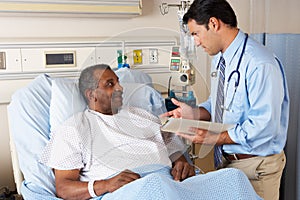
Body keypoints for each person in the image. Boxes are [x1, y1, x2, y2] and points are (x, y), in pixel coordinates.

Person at [162, 0, 289, 199]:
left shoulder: (259, 63)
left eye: (196, 33)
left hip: (256, 167)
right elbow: (218, 104)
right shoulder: (220, 60)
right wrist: (193, 114)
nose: (196, 42)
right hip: (227, 162)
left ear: (213, 24)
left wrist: (214, 137)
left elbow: (264, 126)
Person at [39, 64, 195, 200]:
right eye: (110, 84)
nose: (120, 88)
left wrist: (182, 163)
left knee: (219, 178)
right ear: (91, 94)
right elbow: (64, 188)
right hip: (126, 192)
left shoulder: (143, 116)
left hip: (170, 183)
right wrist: (106, 185)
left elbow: (173, 149)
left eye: (118, 83)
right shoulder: (74, 129)